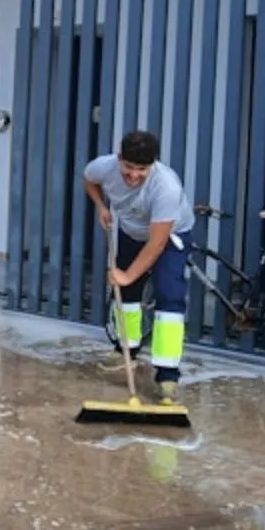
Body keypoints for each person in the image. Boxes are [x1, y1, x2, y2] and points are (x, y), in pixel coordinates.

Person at [82, 130, 195, 405]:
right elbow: (88, 180)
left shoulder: (166, 187)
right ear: (119, 158)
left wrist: (127, 274)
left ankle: (168, 374)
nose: (133, 175)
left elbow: (156, 244)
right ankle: (126, 351)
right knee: (127, 297)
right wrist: (101, 207)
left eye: (141, 169)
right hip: (132, 231)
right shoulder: (103, 167)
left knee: (169, 295)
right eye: (128, 167)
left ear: (152, 164)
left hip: (169, 236)